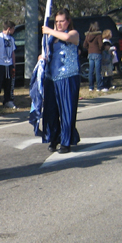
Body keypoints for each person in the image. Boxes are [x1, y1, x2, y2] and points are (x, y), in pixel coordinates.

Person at [40, 9, 81, 153]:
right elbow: (47, 52)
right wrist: (42, 58)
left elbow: (68, 38)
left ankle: (66, 141)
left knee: (67, 110)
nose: (59, 24)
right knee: (51, 110)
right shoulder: (51, 37)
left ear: (68, 21)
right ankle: (54, 138)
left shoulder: (73, 33)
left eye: (61, 21)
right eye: (56, 21)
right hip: (52, 78)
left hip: (68, 77)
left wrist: (50, 30)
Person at [0, 20, 17, 109]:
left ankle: (8, 100)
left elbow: (13, 52)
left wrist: (13, 64)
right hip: (1, 64)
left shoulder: (11, 39)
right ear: (9, 29)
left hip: (9, 64)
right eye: (13, 29)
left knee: (8, 84)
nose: (13, 31)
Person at [83, 21, 103, 92]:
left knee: (91, 71)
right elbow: (101, 45)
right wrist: (101, 49)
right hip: (97, 53)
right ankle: (99, 86)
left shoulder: (87, 35)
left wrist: (89, 49)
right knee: (98, 71)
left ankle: (91, 86)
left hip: (90, 53)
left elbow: (84, 45)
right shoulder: (98, 35)